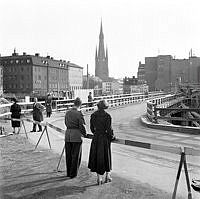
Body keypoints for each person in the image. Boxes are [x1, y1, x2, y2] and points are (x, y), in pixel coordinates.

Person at [88, 99, 115, 185]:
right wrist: (112, 136)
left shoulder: (93, 115)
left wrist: (96, 134)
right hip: (104, 138)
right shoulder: (107, 116)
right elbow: (109, 130)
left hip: (96, 138)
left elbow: (92, 129)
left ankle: (99, 178)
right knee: (106, 156)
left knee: (97, 157)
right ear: (105, 107)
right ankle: (108, 176)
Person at [65, 97, 87, 178]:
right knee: (76, 156)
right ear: (80, 105)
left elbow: (66, 123)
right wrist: (85, 134)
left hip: (68, 135)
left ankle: (68, 172)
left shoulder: (67, 112)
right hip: (76, 135)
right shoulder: (79, 113)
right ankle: (73, 174)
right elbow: (82, 126)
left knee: (68, 155)